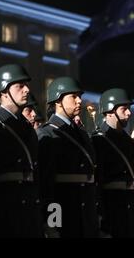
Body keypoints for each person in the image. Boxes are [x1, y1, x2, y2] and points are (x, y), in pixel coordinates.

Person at [37, 77, 99, 238]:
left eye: (80, 96)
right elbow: (46, 185)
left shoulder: (82, 133)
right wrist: (52, 224)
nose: (79, 100)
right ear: (58, 100)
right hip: (66, 217)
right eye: (73, 96)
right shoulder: (48, 133)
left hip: (86, 216)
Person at [0, 64, 43, 237]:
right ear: (3, 91)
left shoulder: (28, 129)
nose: (27, 89)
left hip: (31, 213)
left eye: (26, 85)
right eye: (19, 85)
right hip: (5, 215)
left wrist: (49, 222)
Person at [91, 88, 134, 238]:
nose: (129, 113)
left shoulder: (130, 143)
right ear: (110, 111)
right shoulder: (98, 140)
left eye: (129, 109)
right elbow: (96, 182)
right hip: (111, 210)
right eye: (124, 109)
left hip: (130, 209)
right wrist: (100, 218)